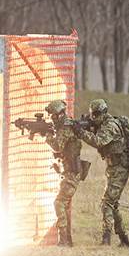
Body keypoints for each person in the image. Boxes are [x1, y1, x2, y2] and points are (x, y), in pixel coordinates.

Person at [73, 98, 129, 246]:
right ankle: (124, 240)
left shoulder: (110, 126)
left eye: (96, 114)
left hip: (120, 168)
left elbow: (98, 141)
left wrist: (81, 132)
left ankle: (106, 239)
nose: (93, 117)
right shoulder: (101, 123)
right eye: (92, 114)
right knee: (113, 204)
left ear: (104, 112)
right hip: (113, 168)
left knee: (106, 203)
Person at [41, 100, 85, 247]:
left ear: (60, 114)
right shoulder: (65, 125)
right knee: (64, 205)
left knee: (59, 203)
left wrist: (48, 135)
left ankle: (64, 241)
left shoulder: (65, 127)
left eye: (53, 116)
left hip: (72, 172)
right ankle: (67, 240)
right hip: (69, 171)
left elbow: (57, 146)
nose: (52, 118)